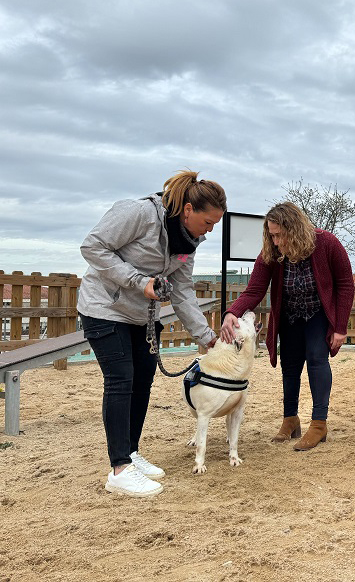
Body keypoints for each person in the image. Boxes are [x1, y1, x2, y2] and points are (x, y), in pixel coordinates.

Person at [78, 170, 226, 497]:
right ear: (188, 210)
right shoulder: (140, 214)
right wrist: (137, 280)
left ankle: (130, 453)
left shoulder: (188, 242)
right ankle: (119, 470)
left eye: (215, 224)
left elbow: (184, 290)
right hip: (105, 307)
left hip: (141, 317)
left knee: (143, 379)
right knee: (121, 379)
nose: (210, 230)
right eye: (208, 222)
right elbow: (93, 247)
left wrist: (207, 337)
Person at [221, 202, 354, 451]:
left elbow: (346, 284)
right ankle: (290, 420)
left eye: (279, 234)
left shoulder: (327, 243)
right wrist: (232, 312)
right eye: (271, 235)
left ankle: (319, 423)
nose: (275, 240)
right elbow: (254, 290)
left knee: (317, 360)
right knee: (289, 366)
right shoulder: (271, 253)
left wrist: (340, 326)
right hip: (289, 316)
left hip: (318, 315)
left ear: (294, 229)